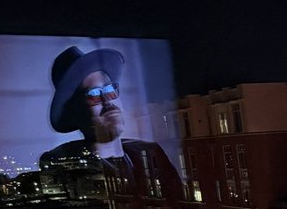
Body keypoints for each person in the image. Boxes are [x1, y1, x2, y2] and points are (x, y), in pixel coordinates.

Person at [42, 45, 182, 196]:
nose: (107, 101)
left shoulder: (151, 153)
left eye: (110, 90)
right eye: (94, 94)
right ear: (75, 112)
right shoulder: (70, 168)